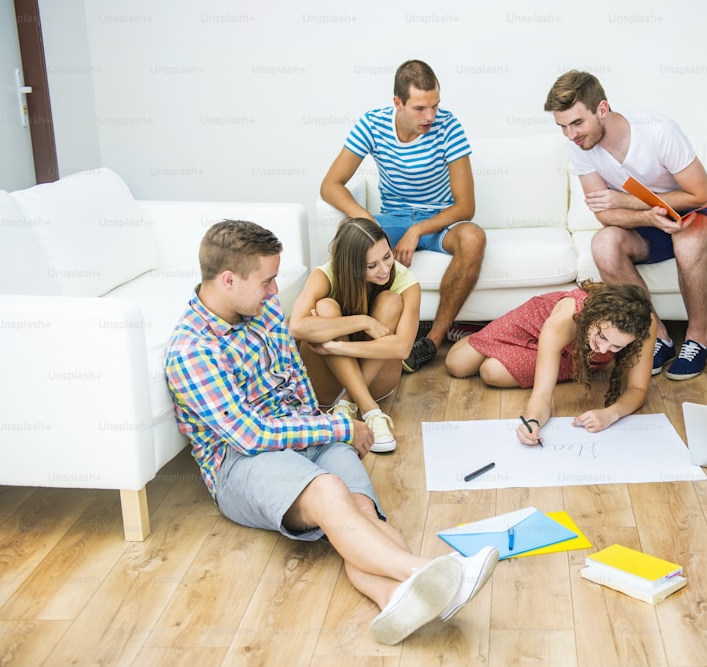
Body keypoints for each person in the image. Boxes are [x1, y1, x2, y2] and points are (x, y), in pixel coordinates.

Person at [164, 220, 498, 645]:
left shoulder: (261, 310)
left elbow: (296, 378)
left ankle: (395, 597)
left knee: (361, 509)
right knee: (328, 493)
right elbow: (250, 435)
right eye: (267, 281)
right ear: (228, 279)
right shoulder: (192, 351)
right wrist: (339, 425)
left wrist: (325, 430)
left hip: (306, 432)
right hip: (242, 461)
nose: (274, 292)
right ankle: (429, 572)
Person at [543, 70, 707, 381]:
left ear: (602, 109)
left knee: (686, 242)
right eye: (562, 126)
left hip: (700, 209)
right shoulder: (578, 145)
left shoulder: (657, 130)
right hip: (653, 222)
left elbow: (700, 193)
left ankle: (697, 340)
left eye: (577, 123)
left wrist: (633, 203)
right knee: (603, 244)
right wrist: (648, 217)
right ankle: (656, 336)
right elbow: (605, 214)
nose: (570, 135)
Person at [320, 58, 486, 373]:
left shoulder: (449, 126)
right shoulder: (372, 124)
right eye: (420, 108)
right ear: (398, 102)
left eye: (435, 106)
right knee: (349, 229)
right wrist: (366, 220)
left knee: (473, 236)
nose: (431, 116)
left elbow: (466, 207)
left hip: (439, 221)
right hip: (394, 217)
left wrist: (419, 229)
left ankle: (431, 341)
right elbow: (330, 185)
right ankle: (355, 330)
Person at [445, 281, 655, 445]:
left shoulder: (644, 326)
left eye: (616, 347)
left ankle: (509, 351)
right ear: (594, 318)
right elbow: (542, 396)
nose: (602, 350)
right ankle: (477, 332)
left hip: (572, 354)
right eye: (602, 336)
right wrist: (534, 419)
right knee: (457, 364)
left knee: (491, 371)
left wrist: (611, 414)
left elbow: (638, 388)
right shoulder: (563, 322)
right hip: (536, 324)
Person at [288, 217, 420, 454]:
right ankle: (370, 410)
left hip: (377, 380)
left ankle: (350, 404)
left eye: (387, 256)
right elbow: (296, 327)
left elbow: (402, 348)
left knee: (391, 301)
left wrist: (338, 347)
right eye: (372, 266)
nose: (384, 269)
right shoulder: (326, 274)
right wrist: (362, 321)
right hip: (326, 384)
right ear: (351, 266)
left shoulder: (404, 280)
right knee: (326, 306)